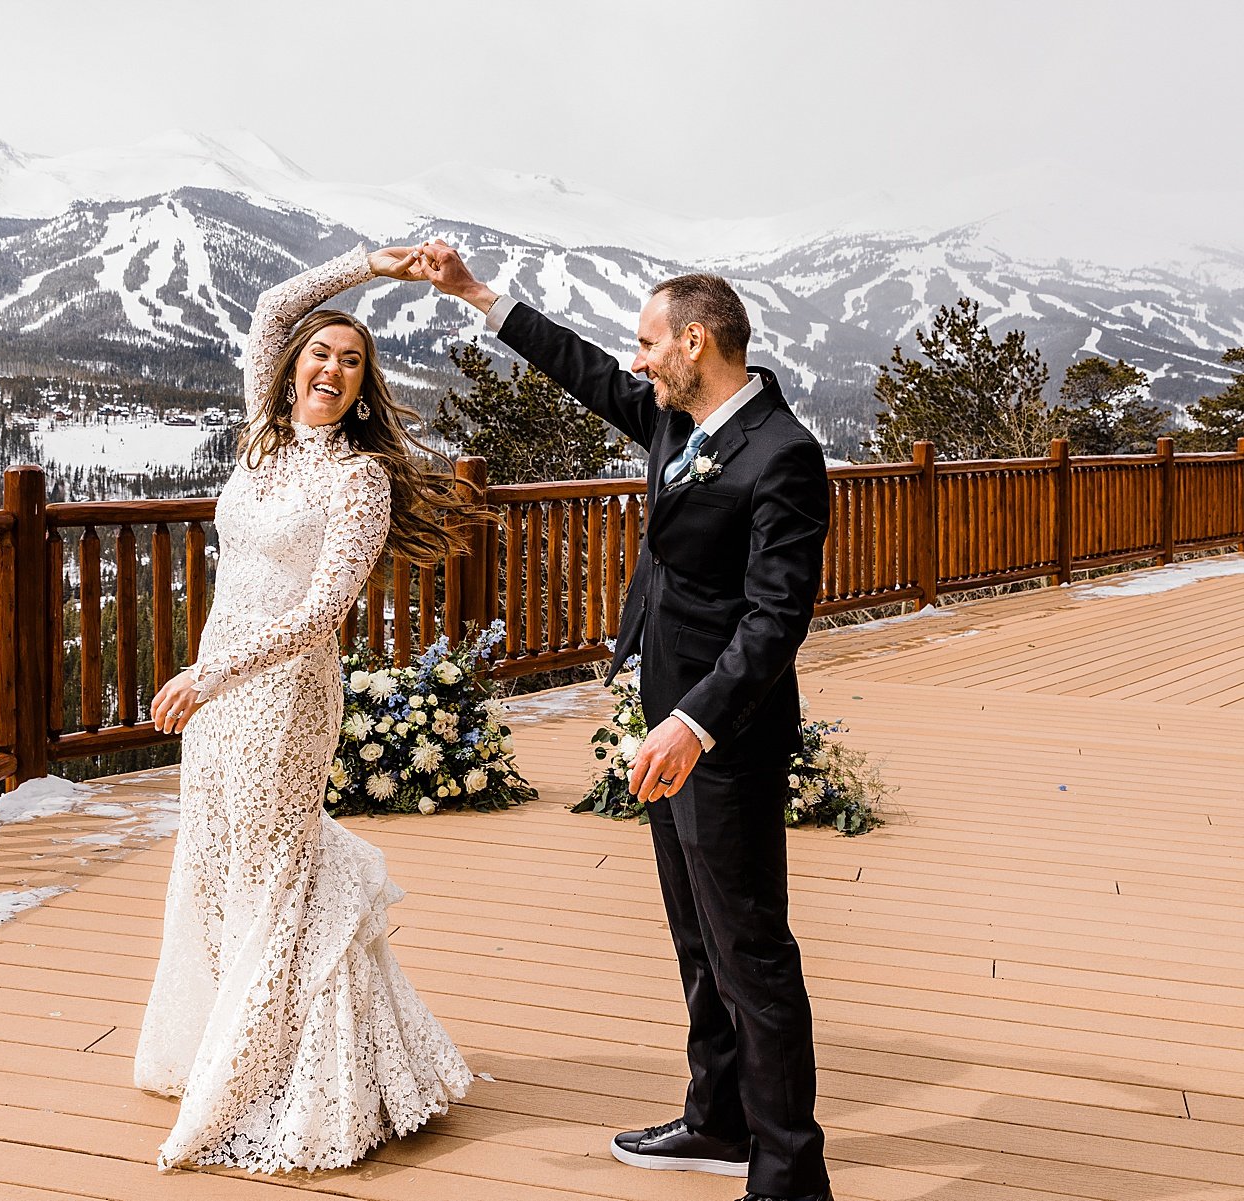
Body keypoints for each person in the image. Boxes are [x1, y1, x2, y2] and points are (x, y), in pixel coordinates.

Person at [420, 241, 833, 1201]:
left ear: (697, 340)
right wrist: (479, 296)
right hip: (668, 724)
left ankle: (789, 1174)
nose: (637, 359)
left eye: (650, 342)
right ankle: (717, 1117)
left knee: (751, 949)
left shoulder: (783, 454)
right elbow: (582, 371)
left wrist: (694, 723)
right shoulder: (674, 417)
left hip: (719, 736)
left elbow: (778, 617)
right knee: (696, 935)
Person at [133, 243, 474, 1173]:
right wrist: (377, 264)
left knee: (279, 869)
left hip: (280, 695)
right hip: (217, 692)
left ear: (364, 387)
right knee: (215, 861)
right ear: (291, 370)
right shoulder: (263, 434)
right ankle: (229, 1041)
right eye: (319, 354)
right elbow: (274, 305)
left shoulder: (355, 477)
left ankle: (286, 1071)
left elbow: (322, 611)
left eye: (350, 361)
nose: (330, 368)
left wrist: (212, 675)